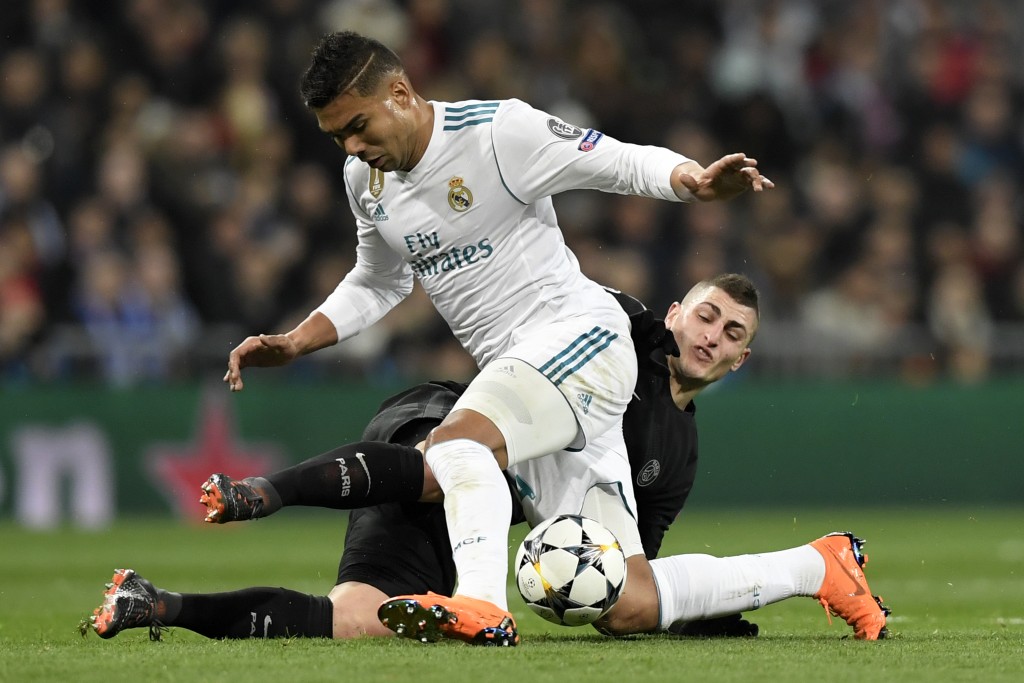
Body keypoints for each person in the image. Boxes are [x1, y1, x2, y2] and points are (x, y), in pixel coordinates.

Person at [221, 30, 772, 646]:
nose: (352, 147)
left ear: (400, 93)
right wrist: (298, 340)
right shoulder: (364, 181)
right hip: (525, 377)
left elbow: (612, 160)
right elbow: (379, 281)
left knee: (454, 446)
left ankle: (480, 605)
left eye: (358, 126)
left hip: (579, 336)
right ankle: (817, 568)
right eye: (336, 137)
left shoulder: (496, 134)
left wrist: (691, 180)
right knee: (625, 599)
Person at [83, 276, 888, 643]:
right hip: (437, 422)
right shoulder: (618, 322)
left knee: (359, 621)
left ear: (740, 362)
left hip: (493, 502)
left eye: (732, 334)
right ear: (676, 312)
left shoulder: (677, 454)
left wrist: (697, 616)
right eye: (706, 316)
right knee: (456, 457)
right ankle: (265, 491)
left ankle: (162, 604)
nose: (712, 336)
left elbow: (629, 568)